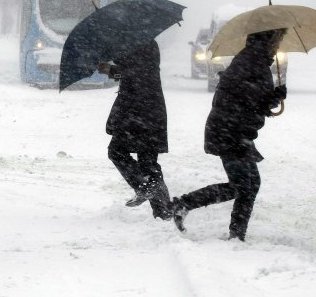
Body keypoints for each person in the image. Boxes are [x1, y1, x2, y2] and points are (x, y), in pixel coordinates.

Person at [171, 29, 287, 241]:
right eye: (278, 39)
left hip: (235, 131)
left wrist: (271, 99)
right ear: (268, 39)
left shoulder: (255, 61)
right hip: (230, 131)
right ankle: (232, 233)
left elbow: (250, 99)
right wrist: (270, 99)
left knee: (249, 185)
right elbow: (246, 100)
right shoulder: (251, 63)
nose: (279, 45)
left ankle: (190, 206)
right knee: (244, 186)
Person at [98, 40, 172, 220]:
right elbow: (135, 72)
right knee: (148, 163)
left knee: (116, 151)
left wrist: (110, 69)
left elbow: (135, 74)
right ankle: (163, 212)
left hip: (137, 111)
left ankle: (144, 187)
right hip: (149, 110)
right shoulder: (147, 42)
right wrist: (114, 66)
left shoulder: (139, 44)